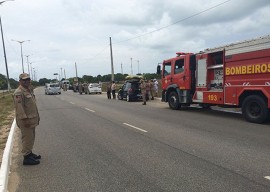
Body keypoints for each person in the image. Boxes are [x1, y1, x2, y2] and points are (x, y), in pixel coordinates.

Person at [13, 73, 41, 165]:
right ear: (20, 81)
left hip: (31, 119)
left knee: (31, 138)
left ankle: (29, 153)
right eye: (24, 80)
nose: (26, 81)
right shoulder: (19, 92)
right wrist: (24, 120)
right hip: (26, 121)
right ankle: (26, 158)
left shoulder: (28, 90)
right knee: (27, 138)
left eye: (28, 79)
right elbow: (19, 108)